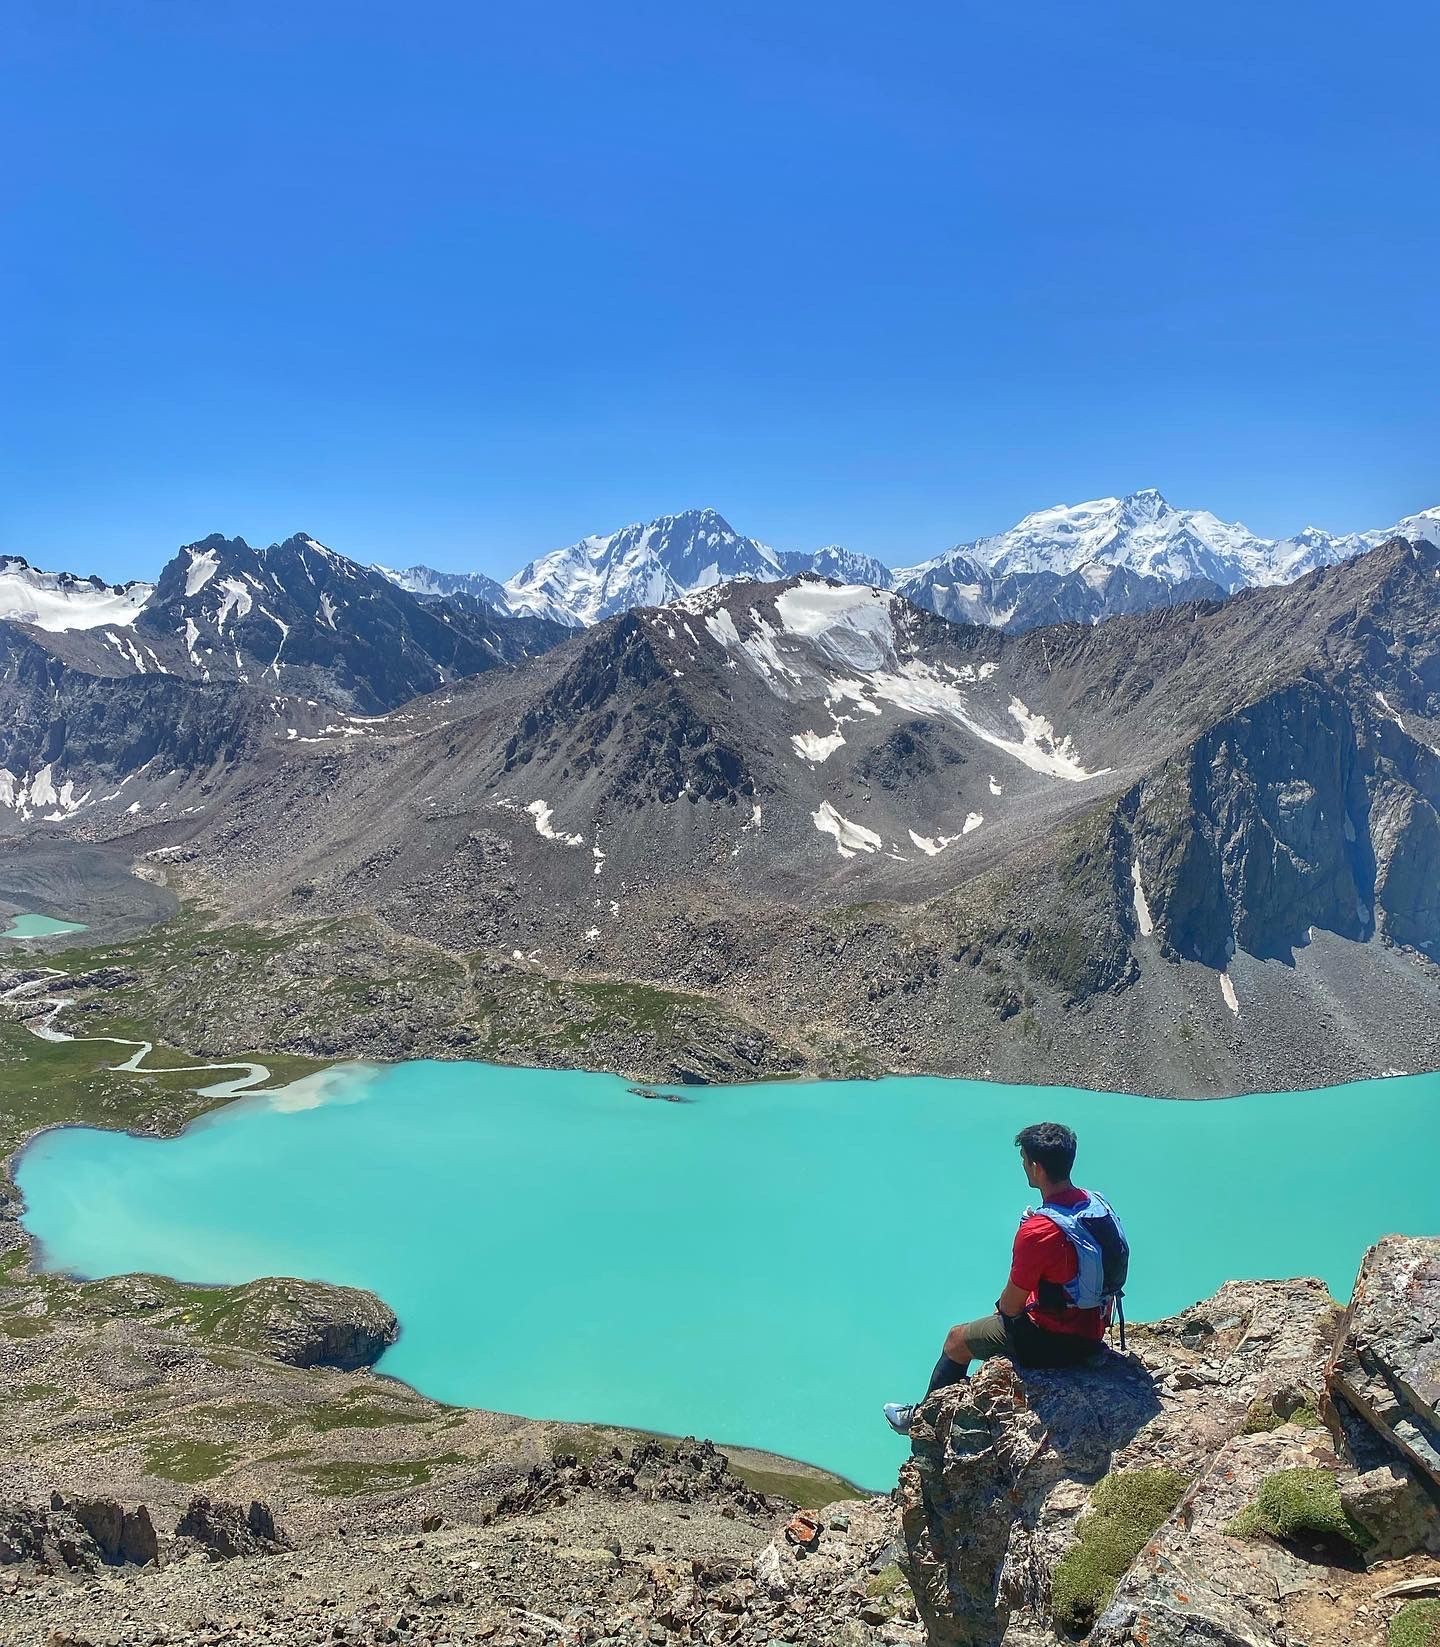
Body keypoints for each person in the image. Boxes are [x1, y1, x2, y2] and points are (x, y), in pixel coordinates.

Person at [883, 1120, 1128, 1435]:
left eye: (1024, 1160)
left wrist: (1004, 1308)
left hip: (1055, 1342)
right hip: (1094, 1328)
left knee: (957, 1340)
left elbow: (1011, 1306)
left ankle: (923, 1422)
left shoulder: (1039, 1231)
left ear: (1036, 1168)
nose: (1024, 1166)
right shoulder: (1095, 1203)